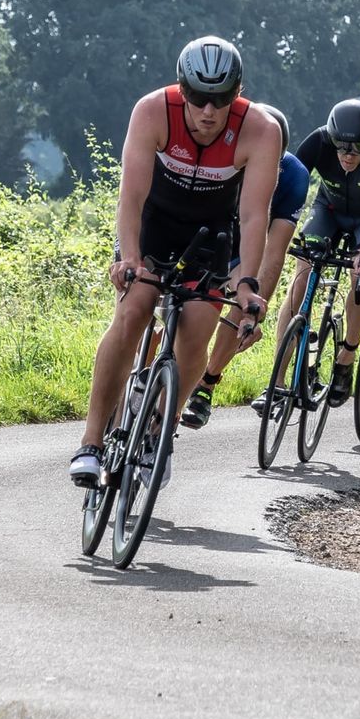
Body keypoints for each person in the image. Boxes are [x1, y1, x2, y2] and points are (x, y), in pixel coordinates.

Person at [70, 38, 281, 487]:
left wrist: (247, 284)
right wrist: (128, 258)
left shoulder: (260, 129)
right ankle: (90, 442)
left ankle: (161, 433)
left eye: (222, 99)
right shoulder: (153, 111)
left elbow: (254, 214)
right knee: (133, 310)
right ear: (181, 88)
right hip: (153, 228)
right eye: (199, 98)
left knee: (197, 329)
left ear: (238, 91)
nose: (209, 111)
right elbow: (131, 197)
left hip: (211, 236)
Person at [180, 103, 309, 429]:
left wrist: (254, 304)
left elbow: (274, 253)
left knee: (241, 302)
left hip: (247, 250)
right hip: (209, 237)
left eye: (273, 163)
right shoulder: (221, 160)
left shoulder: (294, 177)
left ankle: (206, 386)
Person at [270, 99, 360, 405]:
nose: (348, 155)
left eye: (357, 148)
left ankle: (347, 354)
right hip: (327, 211)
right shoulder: (318, 142)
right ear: (331, 139)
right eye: (341, 147)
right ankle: (277, 381)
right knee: (301, 278)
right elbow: (285, 185)